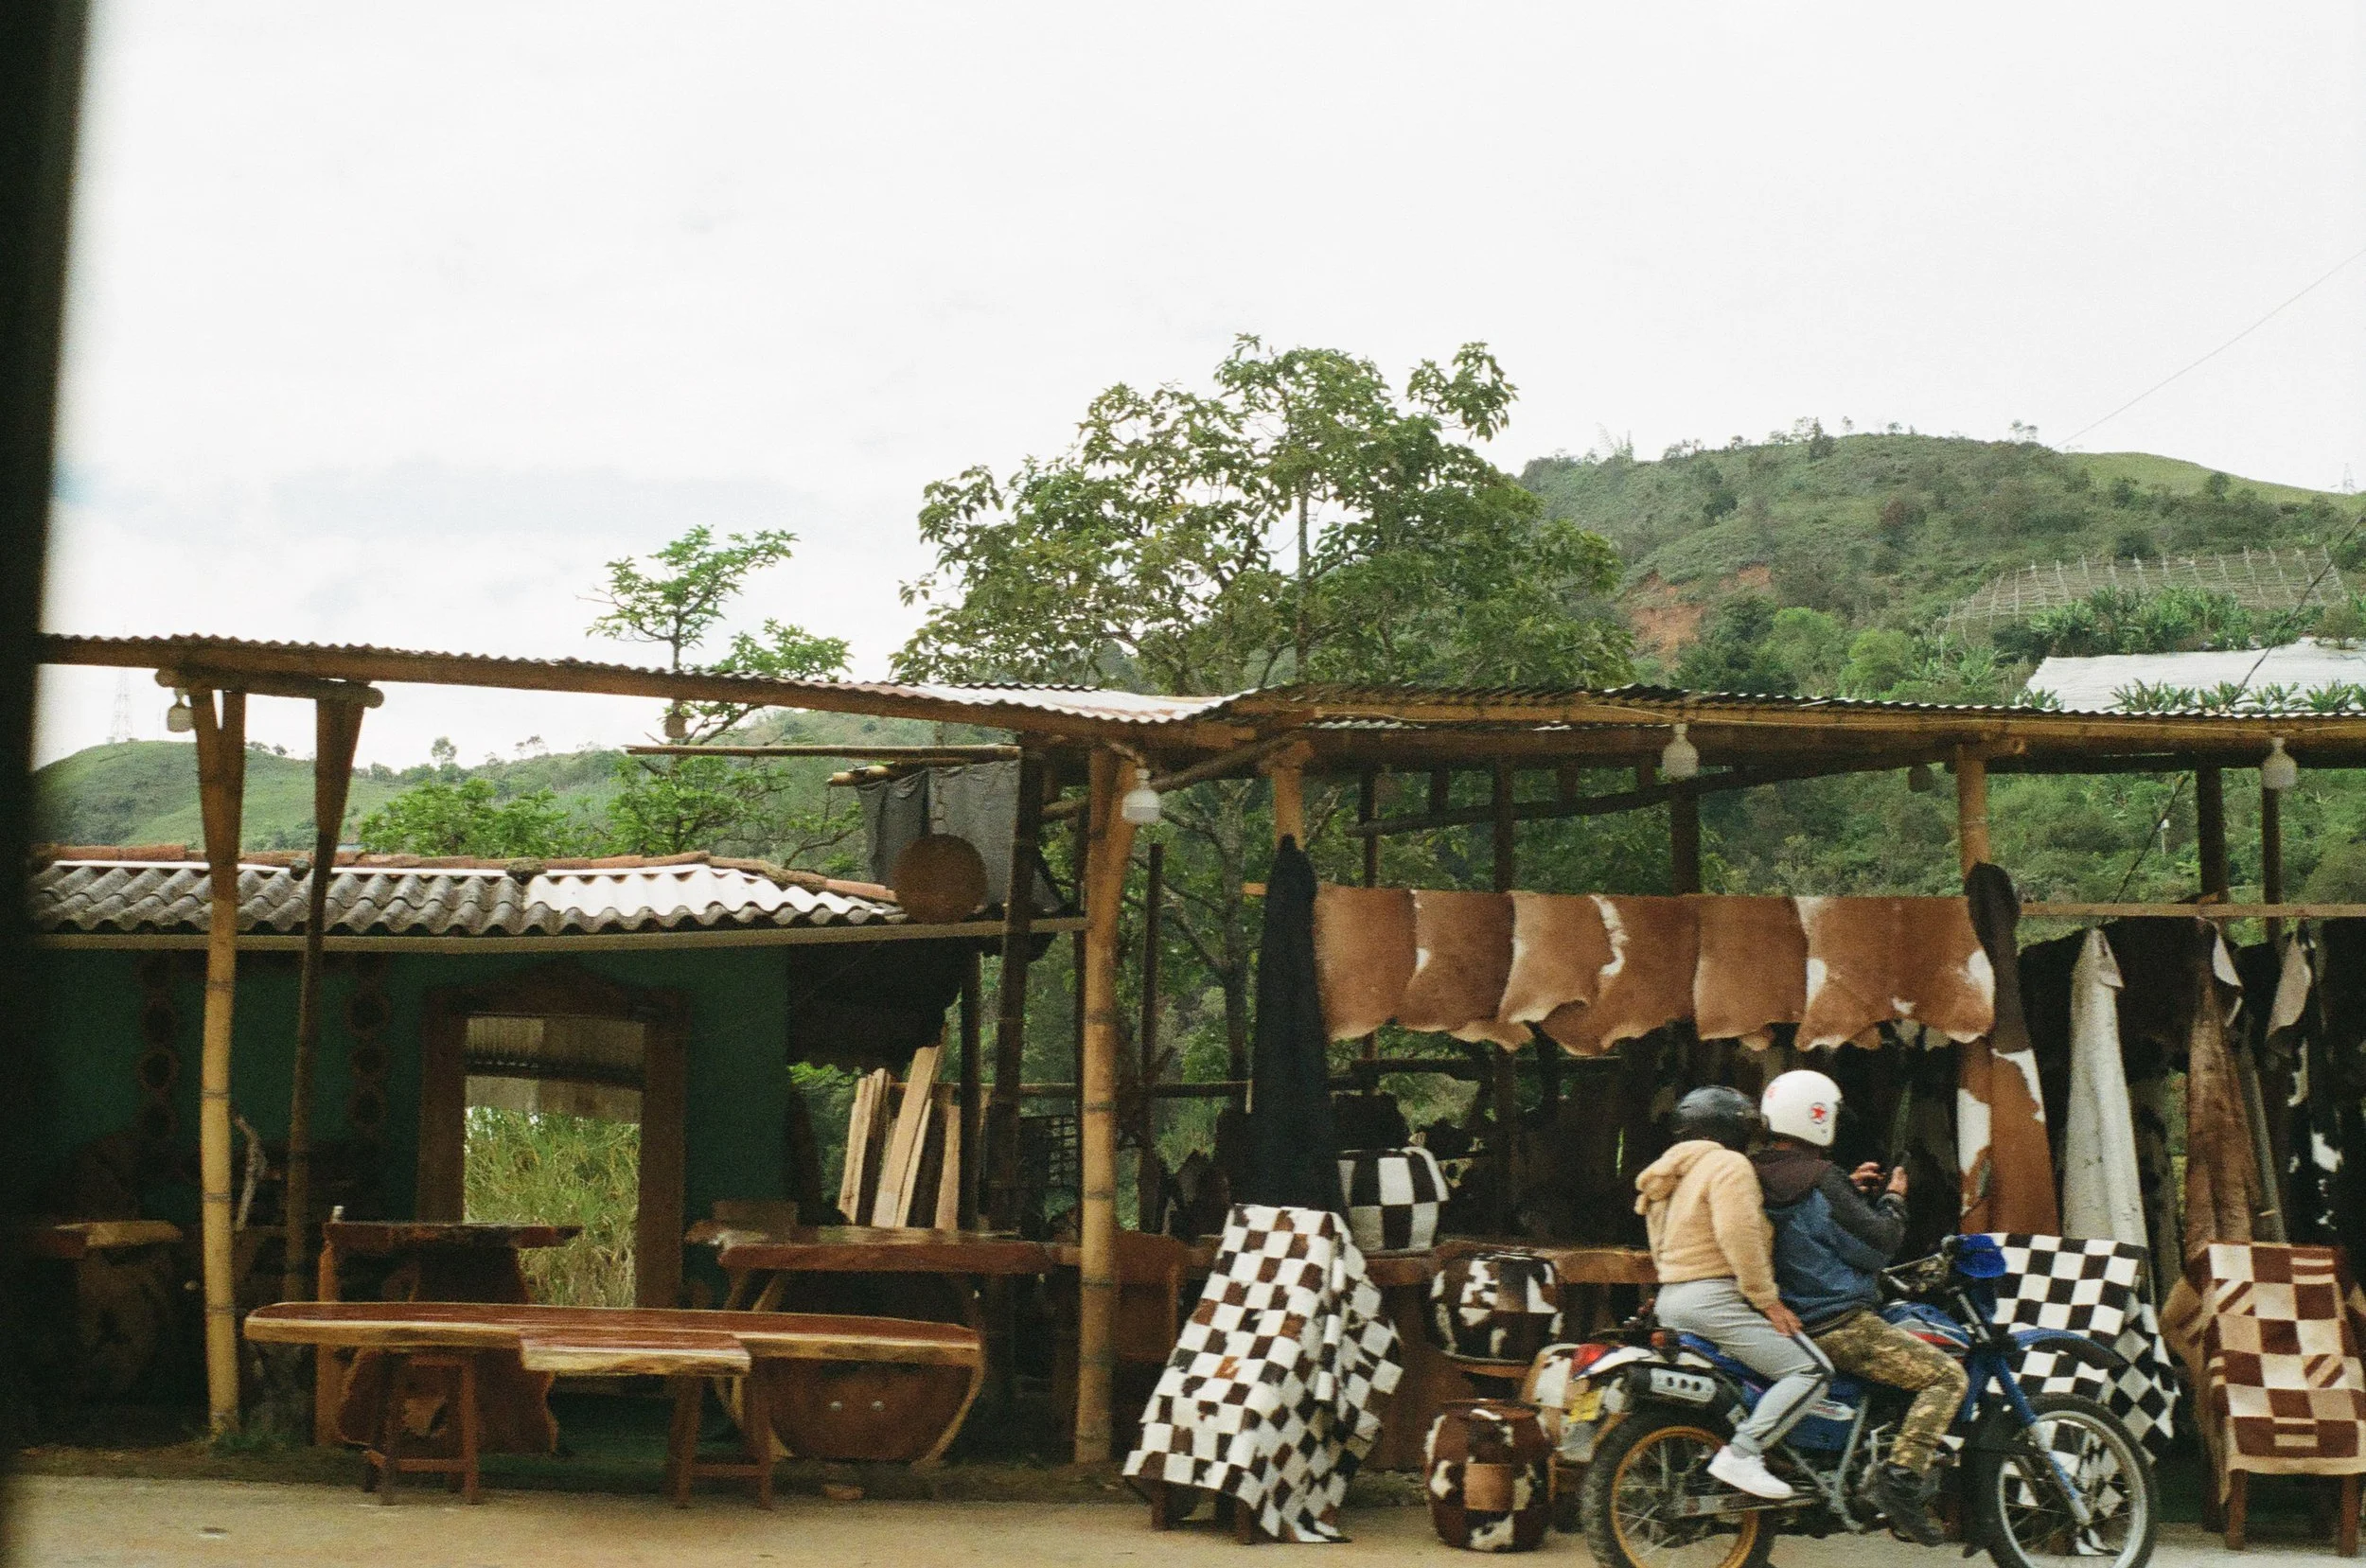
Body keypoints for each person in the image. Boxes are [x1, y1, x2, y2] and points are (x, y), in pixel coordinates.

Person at [1756, 1068, 1969, 1546]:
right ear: (1818, 1119)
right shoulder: (1821, 1178)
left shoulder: (1756, 1172)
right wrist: (1894, 1198)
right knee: (1946, 1376)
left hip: (1782, 1320)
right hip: (1836, 1322)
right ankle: (1900, 1480)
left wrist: (1847, 1191)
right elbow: (1880, 1244)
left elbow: (1807, 1224)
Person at [1635, 1085, 1833, 1502]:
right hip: (1715, 1299)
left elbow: (1659, 1245)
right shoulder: (1728, 1165)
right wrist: (1767, 1300)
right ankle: (1742, 1454)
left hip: (1674, 1299)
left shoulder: (1670, 1174)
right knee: (1812, 1372)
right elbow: (1738, 1234)